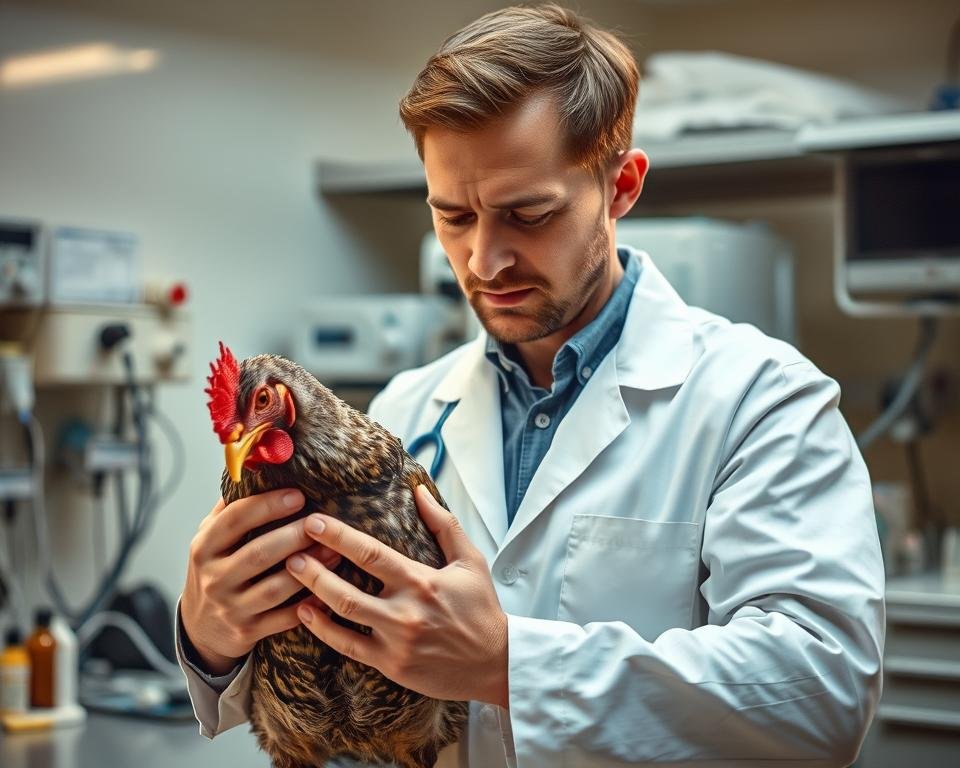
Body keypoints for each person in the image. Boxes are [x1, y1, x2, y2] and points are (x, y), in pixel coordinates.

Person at [177, 5, 885, 766]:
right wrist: (212, 637)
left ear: (622, 186)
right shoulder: (407, 410)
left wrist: (508, 663)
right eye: (453, 217)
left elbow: (821, 692)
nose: (483, 261)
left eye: (528, 214)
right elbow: (330, 694)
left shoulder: (763, 402)